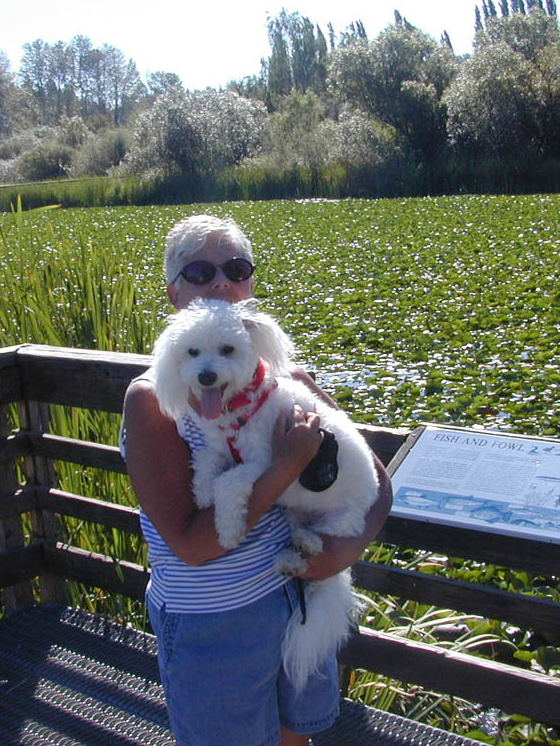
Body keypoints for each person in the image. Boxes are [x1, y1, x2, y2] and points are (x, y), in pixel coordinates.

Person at [121, 214, 393, 746]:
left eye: (236, 268)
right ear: (173, 292)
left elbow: (378, 485)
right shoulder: (154, 401)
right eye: (199, 271)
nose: (220, 281)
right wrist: (287, 465)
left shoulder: (289, 379)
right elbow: (193, 546)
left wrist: (340, 554)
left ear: (250, 283)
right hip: (213, 623)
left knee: (297, 738)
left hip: (296, 597)